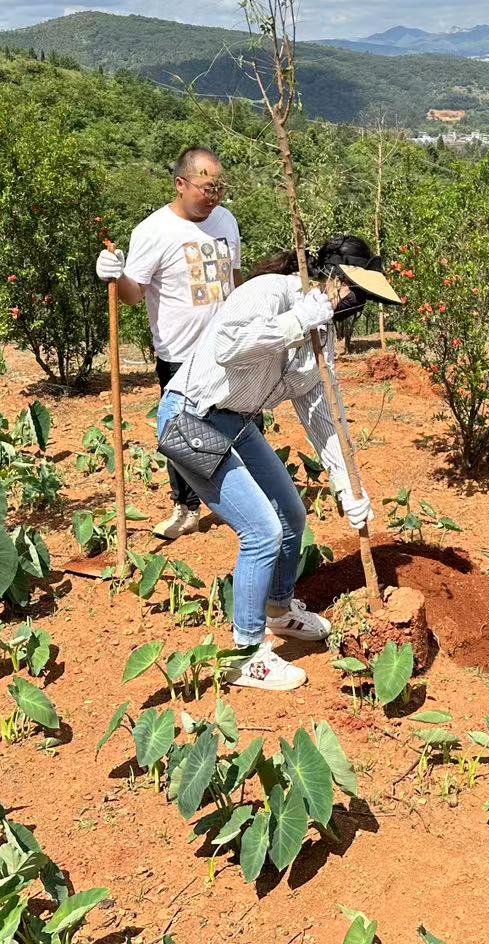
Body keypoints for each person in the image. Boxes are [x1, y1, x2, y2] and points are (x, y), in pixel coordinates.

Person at [160, 234, 403, 691]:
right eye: (354, 292)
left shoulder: (321, 334)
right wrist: (296, 320)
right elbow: (229, 347)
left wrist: (347, 482)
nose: (356, 304)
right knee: (261, 532)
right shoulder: (270, 293)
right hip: (191, 416)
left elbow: (322, 412)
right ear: (332, 278)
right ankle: (245, 655)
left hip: (234, 419)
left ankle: (278, 609)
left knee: (291, 514)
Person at [95, 146, 240, 540]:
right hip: (180, 353)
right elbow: (133, 294)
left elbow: (234, 278)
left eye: (219, 189)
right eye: (206, 189)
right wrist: (116, 275)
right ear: (180, 183)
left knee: (241, 424)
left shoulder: (226, 221)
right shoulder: (153, 231)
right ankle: (187, 508)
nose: (213, 197)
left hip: (228, 347)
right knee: (183, 434)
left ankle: (243, 502)